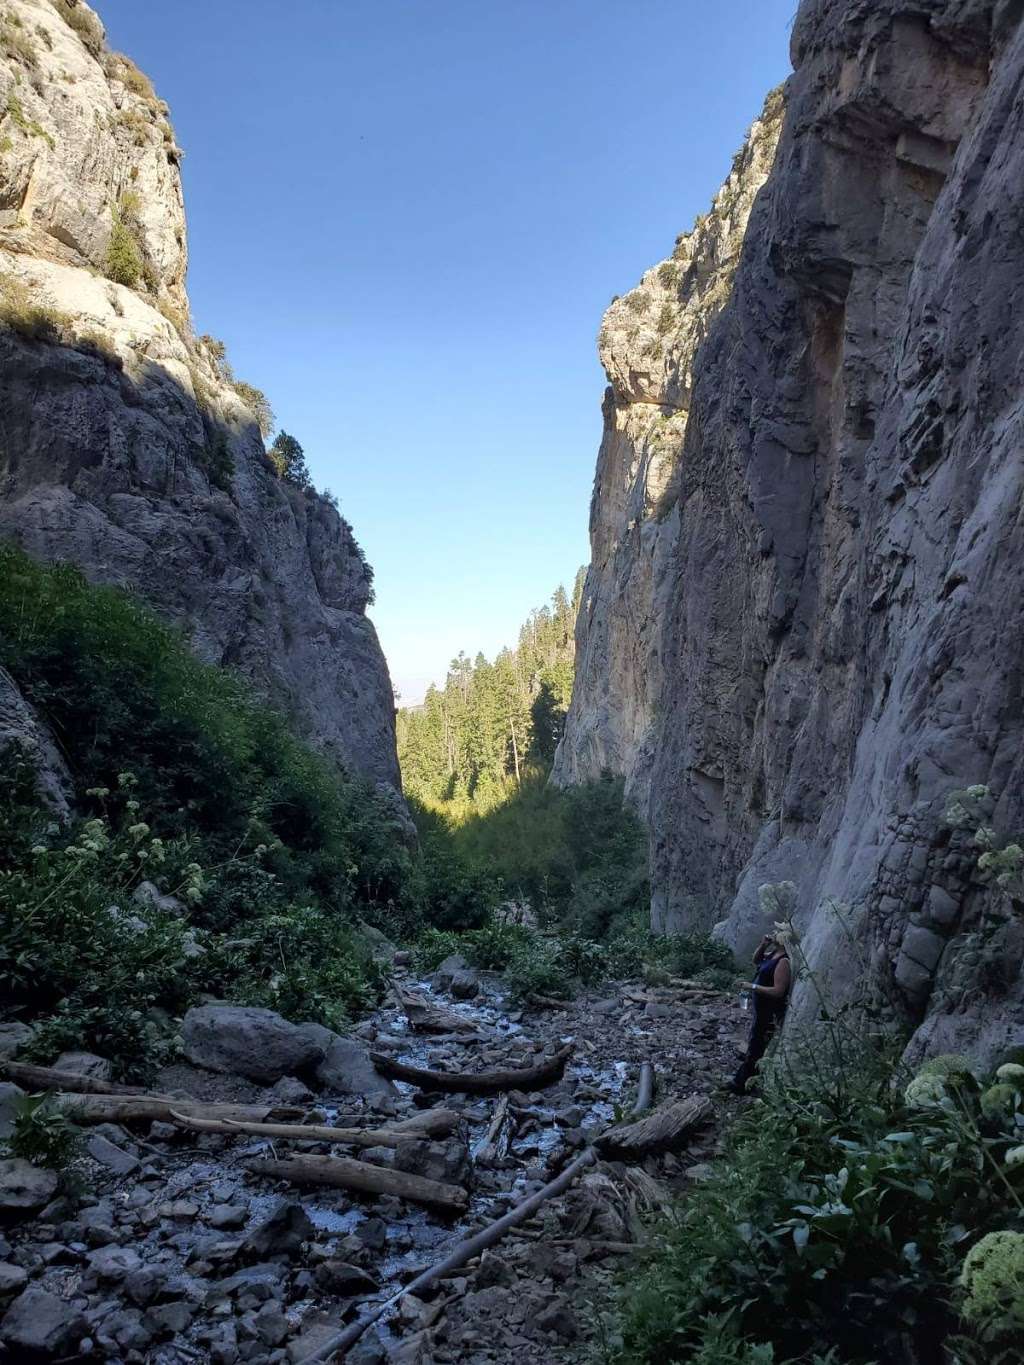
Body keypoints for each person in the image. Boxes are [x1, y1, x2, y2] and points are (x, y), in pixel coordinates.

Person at [729, 932, 791, 1094]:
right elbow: (756, 960)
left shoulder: (783, 961)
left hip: (770, 1011)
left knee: (757, 1045)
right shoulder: (774, 954)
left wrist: (752, 987)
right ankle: (747, 1081)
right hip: (761, 1008)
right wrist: (763, 944)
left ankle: (742, 1084)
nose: (773, 934)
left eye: (778, 933)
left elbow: (778, 991)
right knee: (755, 1041)